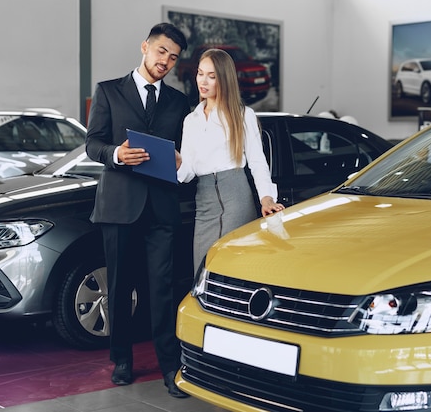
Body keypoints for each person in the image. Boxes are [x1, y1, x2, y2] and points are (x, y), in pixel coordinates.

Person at [85, 23, 191, 398]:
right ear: (145, 47)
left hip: (161, 209)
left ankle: (169, 367)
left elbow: (186, 153)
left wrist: (183, 160)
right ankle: (122, 361)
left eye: (174, 57)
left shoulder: (179, 103)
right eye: (162, 52)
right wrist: (115, 154)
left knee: (162, 290)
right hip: (119, 206)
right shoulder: (109, 91)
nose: (166, 61)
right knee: (120, 289)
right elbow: (92, 143)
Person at [177, 48, 284, 274]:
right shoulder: (191, 121)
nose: (202, 81)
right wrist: (175, 160)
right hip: (204, 201)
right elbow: (187, 173)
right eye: (200, 73)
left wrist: (266, 199)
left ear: (224, 79)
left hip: (237, 197)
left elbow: (257, 162)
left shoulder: (243, 115)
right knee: (203, 270)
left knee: (237, 269)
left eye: (212, 76)